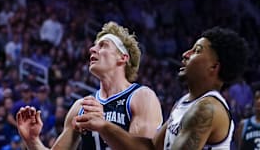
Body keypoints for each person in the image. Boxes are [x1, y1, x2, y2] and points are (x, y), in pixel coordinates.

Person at [75, 27, 249, 150]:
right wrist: (104, 126)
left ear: (214, 67)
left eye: (196, 51)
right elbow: (150, 147)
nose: (185, 54)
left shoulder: (208, 109)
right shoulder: (184, 103)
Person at [16, 22, 163, 150]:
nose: (92, 49)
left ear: (122, 58)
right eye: (94, 46)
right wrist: (32, 141)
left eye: (103, 45)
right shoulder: (81, 106)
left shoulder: (142, 97)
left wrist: (104, 126)